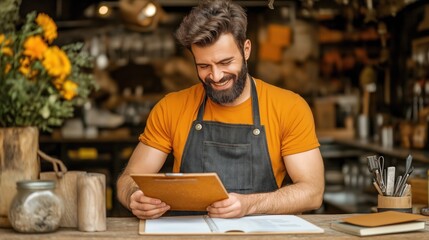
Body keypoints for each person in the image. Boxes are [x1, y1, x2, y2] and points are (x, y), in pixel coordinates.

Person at [117, 0, 324, 219]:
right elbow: (128, 178)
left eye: (225, 62)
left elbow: (312, 192)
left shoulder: (289, 107)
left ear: (246, 50)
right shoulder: (171, 107)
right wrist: (134, 196)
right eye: (204, 66)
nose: (216, 76)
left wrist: (249, 205)